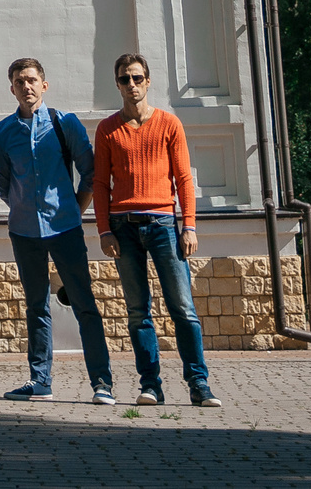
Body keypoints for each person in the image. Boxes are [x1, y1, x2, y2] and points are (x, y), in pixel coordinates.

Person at [94, 51, 219, 408]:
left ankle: (199, 384)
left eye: (136, 78)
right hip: (123, 227)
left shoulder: (169, 123)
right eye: (123, 79)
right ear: (117, 84)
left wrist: (189, 226)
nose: (130, 84)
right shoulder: (107, 129)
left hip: (164, 224)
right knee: (138, 311)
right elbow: (101, 183)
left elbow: (183, 179)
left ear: (148, 81)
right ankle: (150, 385)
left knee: (183, 308)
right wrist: (104, 231)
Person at [0, 57, 115, 405]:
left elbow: (90, 173)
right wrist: (20, 204)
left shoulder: (65, 124)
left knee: (84, 304)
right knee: (36, 307)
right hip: (24, 231)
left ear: (44, 85)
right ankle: (40, 380)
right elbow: (1, 180)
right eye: (19, 81)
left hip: (65, 228)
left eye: (31, 80)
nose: (26, 87)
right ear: (11, 88)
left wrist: (75, 209)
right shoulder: (2, 132)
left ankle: (102, 383)